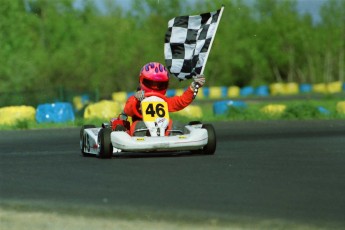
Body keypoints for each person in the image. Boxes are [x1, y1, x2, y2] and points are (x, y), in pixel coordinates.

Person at [123, 62, 205, 136]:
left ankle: (170, 136)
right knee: (138, 125)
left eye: (159, 84)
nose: (155, 87)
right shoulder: (135, 99)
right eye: (151, 83)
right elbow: (127, 110)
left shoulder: (163, 101)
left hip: (163, 127)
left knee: (173, 124)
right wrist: (136, 100)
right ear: (142, 80)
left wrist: (193, 87)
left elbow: (180, 102)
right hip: (140, 129)